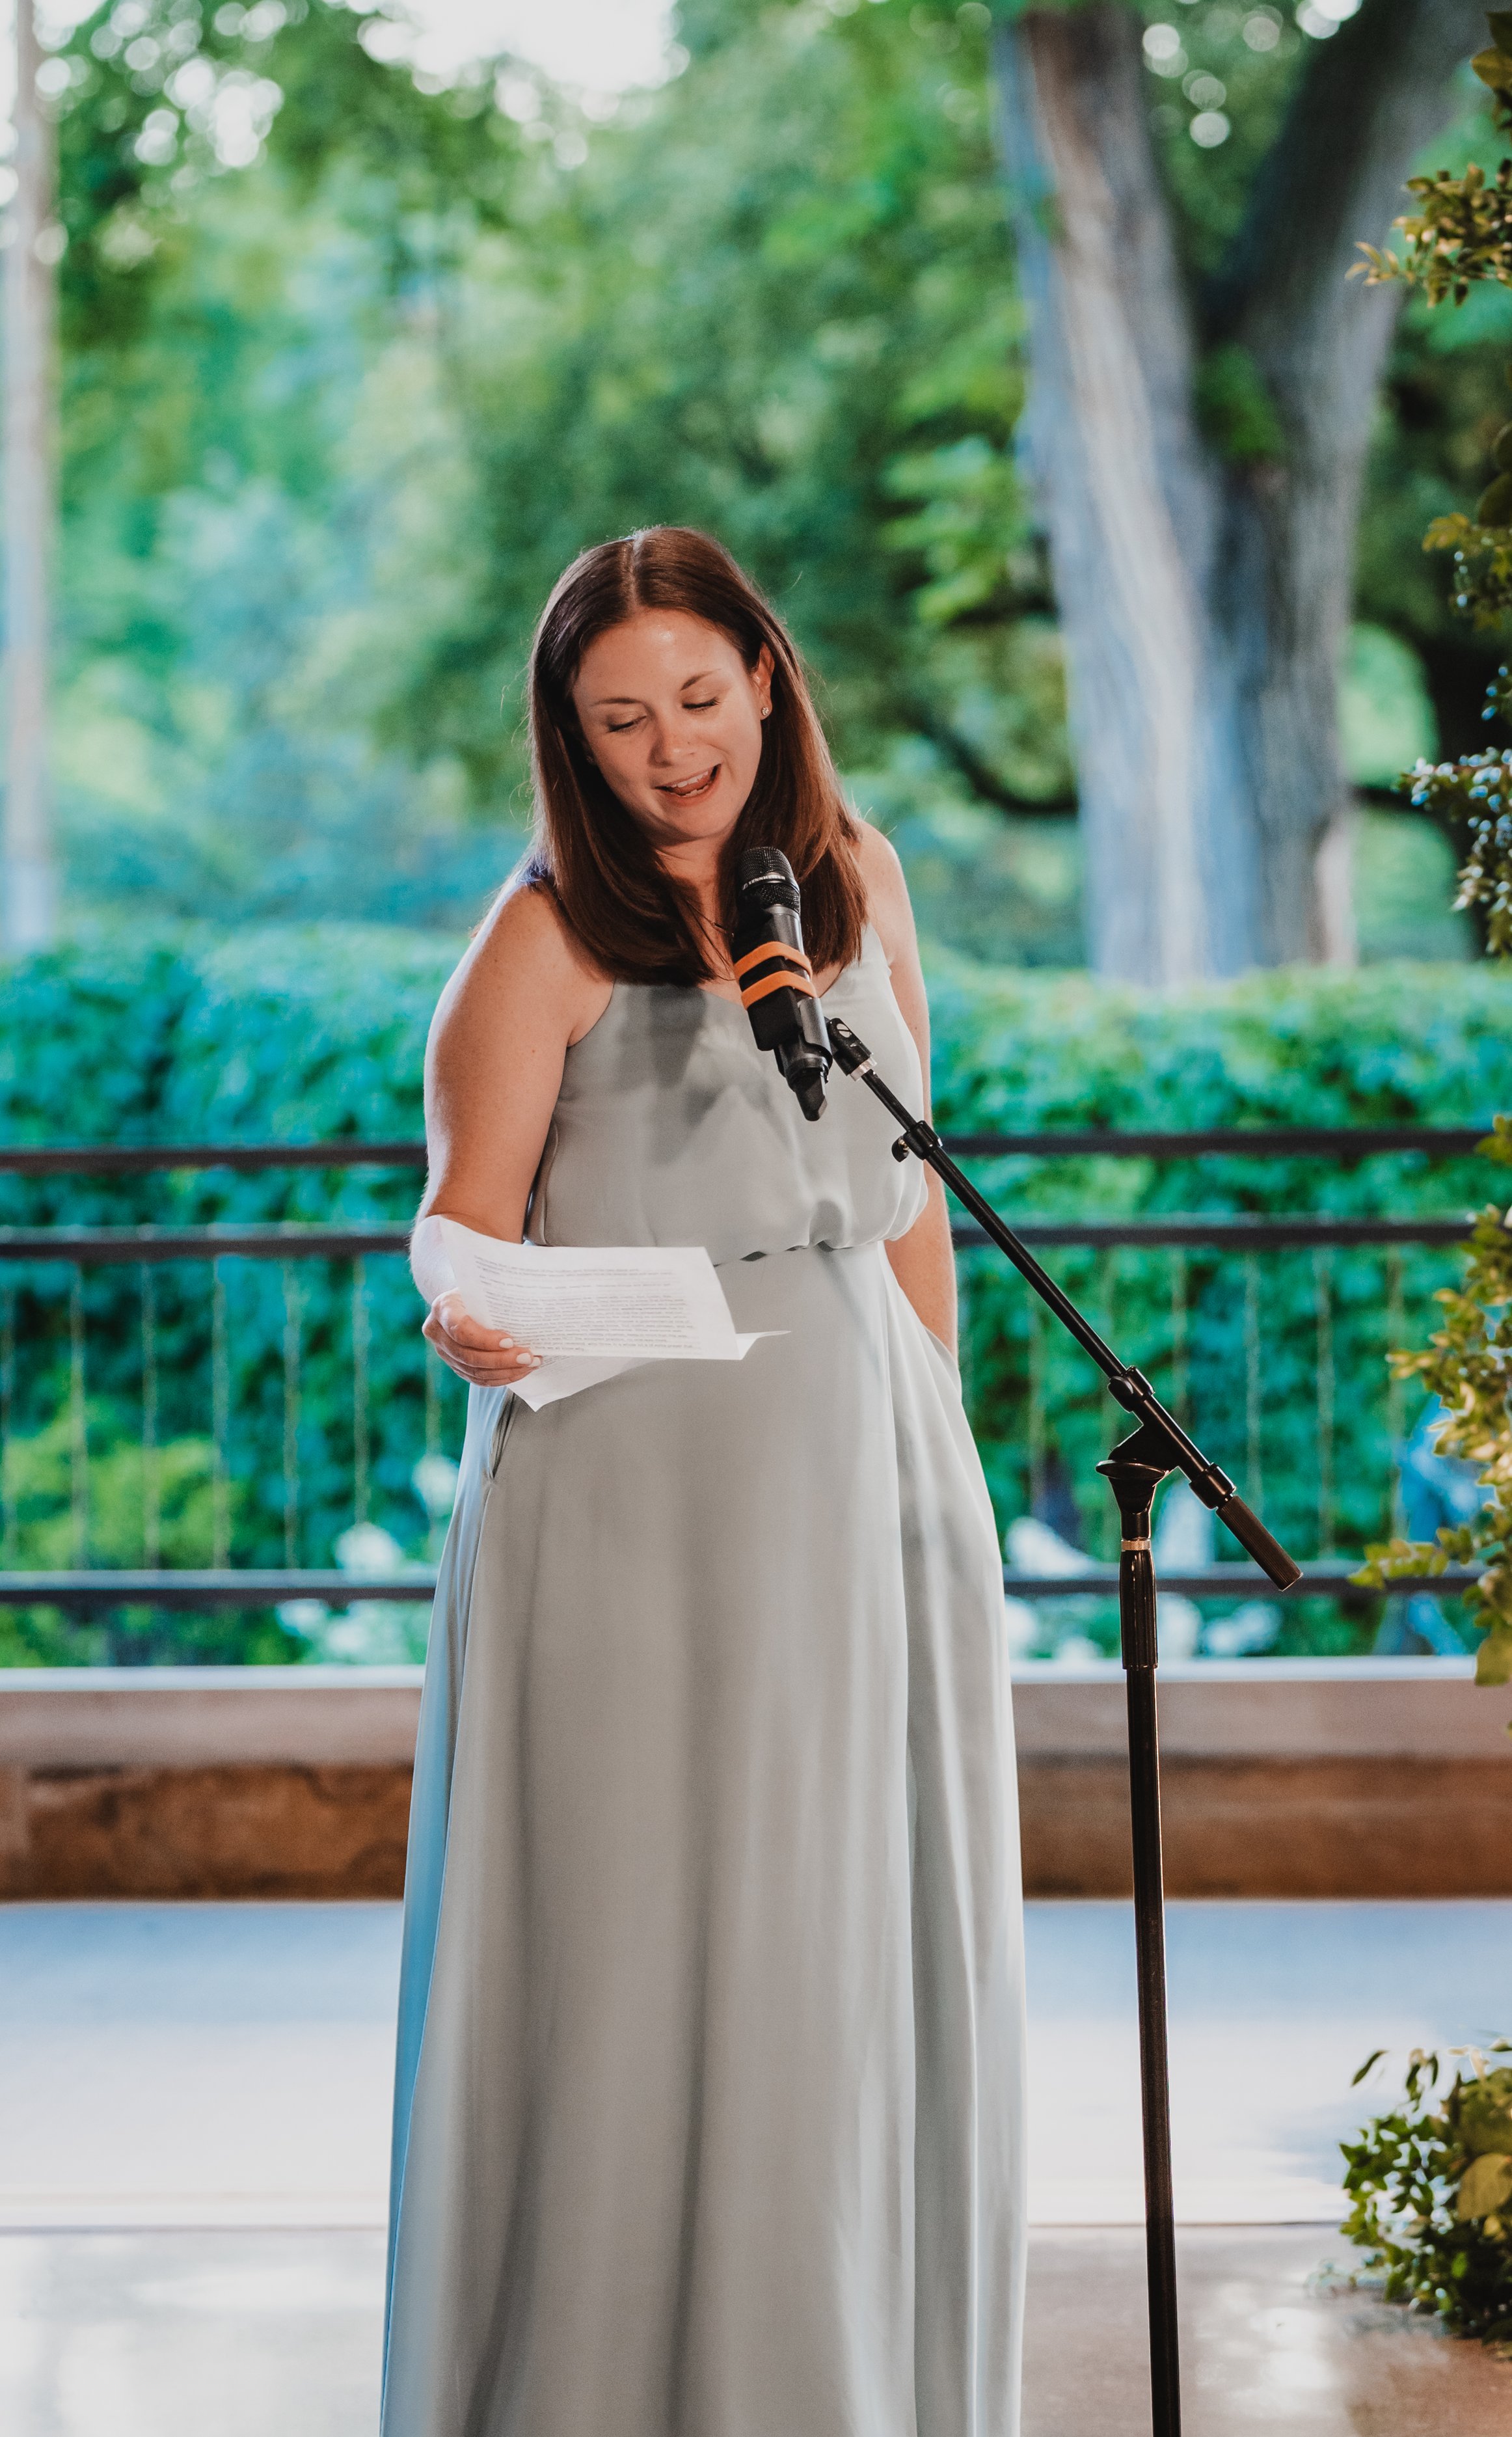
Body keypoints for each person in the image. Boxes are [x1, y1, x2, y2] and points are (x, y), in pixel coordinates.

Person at [383, 526, 1025, 2437]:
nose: (670, 749)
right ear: (568, 743)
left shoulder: (858, 885)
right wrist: (459, 1309)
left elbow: (911, 1209)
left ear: (763, 671)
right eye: (618, 720)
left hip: (861, 1465)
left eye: (693, 696)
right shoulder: (543, 935)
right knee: (652, 1949)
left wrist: (953, 1469)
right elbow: (451, 1221)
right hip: (632, 1492)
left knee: (841, 1950)